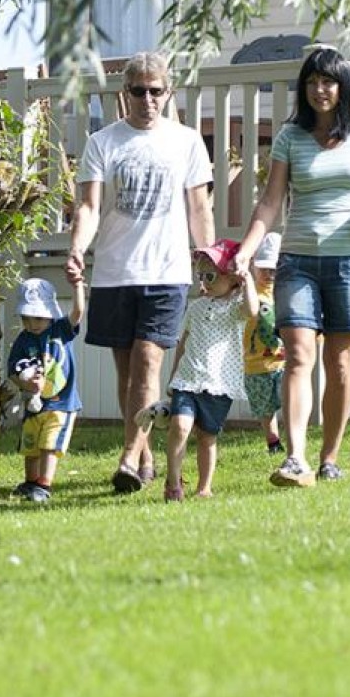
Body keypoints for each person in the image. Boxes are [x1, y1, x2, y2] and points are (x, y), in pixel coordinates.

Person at [232, 47, 350, 487]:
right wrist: (247, 250)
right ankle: (296, 459)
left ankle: (329, 455)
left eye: (328, 82)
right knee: (296, 356)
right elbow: (270, 201)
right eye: (311, 83)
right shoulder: (291, 136)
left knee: (340, 363)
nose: (319, 90)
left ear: (342, 85)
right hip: (297, 262)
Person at [65, 50, 215, 494]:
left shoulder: (186, 141)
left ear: (168, 94)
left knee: (150, 359)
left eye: (155, 91)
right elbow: (89, 206)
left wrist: (206, 257)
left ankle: (128, 457)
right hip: (115, 270)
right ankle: (145, 454)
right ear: (124, 94)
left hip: (167, 271)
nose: (147, 99)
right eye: (138, 91)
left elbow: (199, 207)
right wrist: (77, 248)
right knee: (128, 374)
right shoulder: (103, 142)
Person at [162, 239, 259, 501]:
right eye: (200, 275)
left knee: (207, 437)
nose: (203, 281)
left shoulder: (235, 307)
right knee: (180, 427)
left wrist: (248, 279)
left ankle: (204, 487)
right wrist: (173, 379)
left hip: (218, 384)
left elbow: (252, 310)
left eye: (210, 275)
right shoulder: (195, 307)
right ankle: (173, 482)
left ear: (232, 278)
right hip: (187, 381)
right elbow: (183, 344)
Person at [7, 276, 86, 502]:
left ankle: (44, 484)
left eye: (38, 318)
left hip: (61, 403)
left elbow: (78, 312)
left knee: (49, 445)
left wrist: (78, 286)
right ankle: (30, 481)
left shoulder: (61, 329)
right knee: (30, 445)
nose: (33, 324)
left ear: (50, 313)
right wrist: (25, 383)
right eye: (27, 318)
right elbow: (12, 369)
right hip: (34, 404)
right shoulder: (23, 340)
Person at [242, 231, 286, 456]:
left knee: (290, 400)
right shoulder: (249, 292)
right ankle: (273, 442)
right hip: (256, 365)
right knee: (265, 410)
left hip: (283, 362)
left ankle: (295, 441)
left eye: (274, 269)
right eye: (264, 268)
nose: (269, 273)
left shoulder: (284, 292)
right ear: (253, 266)